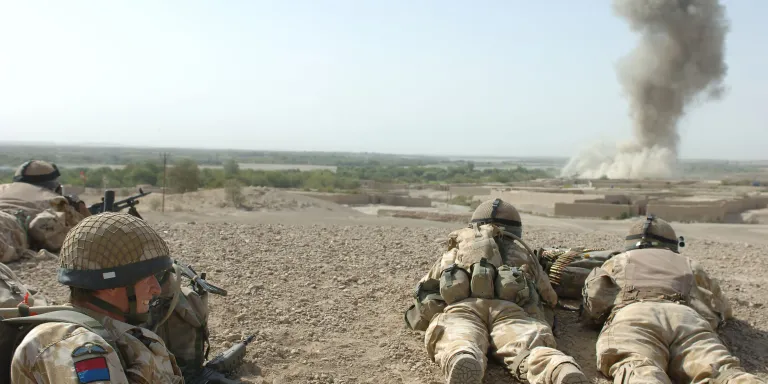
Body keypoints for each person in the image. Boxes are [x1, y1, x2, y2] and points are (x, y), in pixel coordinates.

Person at [406, 198, 588, 384]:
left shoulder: (457, 251)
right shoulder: (524, 254)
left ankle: (462, 354)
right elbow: (550, 297)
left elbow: (425, 287)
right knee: (527, 346)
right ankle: (555, 368)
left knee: (458, 337)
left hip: (463, 310)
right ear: (516, 229)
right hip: (511, 312)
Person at [581, 214, 764, 384]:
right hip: (685, 318)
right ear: (672, 244)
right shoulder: (689, 263)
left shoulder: (619, 260)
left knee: (637, 368)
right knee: (722, 371)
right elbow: (721, 307)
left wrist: (594, 319)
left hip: (634, 315)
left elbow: (596, 299)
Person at [9, 212, 185, 383]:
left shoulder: (112, 331)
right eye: (147, 278)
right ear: (112, 286)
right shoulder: (79, 347)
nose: (156, 289)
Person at [0, 160, 89, 263]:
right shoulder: (54, 199)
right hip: (8, 226)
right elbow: (85, 231)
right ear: (55, 185)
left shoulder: (3, 188)